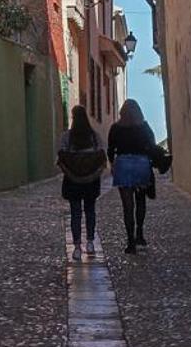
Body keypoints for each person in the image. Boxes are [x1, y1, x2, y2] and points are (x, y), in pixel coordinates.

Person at [107, 98, 158, 253]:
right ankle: (139, 234)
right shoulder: (144, 127)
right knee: (141, 200)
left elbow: (110, 149)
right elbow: (152, 146)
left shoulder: (115, 128)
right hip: (141, 165)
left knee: (127, 206)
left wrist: (112, 164)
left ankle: (130, 242)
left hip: (123, 166)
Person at [56, 106, 106, 261]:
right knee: (90, 210)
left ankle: (77, 247)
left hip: (73, 181)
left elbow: (61, 156)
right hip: (91, 181)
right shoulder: (94, 136)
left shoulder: (66, 137)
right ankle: (90, 242)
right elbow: (102, 155)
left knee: (75, 213)